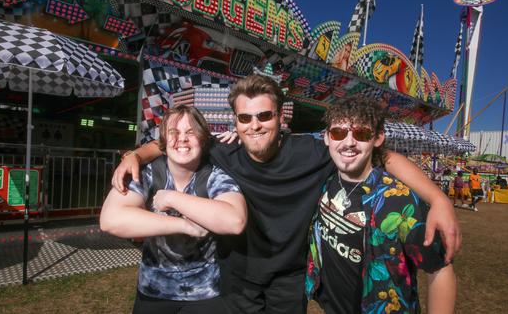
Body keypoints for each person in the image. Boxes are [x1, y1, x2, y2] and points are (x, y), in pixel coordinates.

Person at [112, 74, 461, 314]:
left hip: (291, 279)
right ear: (234, 122)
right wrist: (134, 156)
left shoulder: (316, 149)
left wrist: (439, 199)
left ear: (280, 116)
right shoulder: (223, 151)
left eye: (264, 115)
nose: (254, 125)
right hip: (237, 276)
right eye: (244, 118)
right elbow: (174, 143)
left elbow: (387, 157)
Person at [306, 95, 456, 313]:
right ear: (327, 137)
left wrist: (439, 199)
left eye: (362, 133)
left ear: (377, 138)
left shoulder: (400, 201)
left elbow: (440, 270)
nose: (348, 142)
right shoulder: (325, 177)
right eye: (338, 132)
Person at [100, 105, 247, 314]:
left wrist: (171, 198)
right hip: (153, 291)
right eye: (174, 132)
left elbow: (235, 221)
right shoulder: (147, 173)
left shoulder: (214, 175)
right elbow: (111, 220)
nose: (182, 139)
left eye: (191, 132)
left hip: (205, 293)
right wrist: (185, 225)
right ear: (163, 141)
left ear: (203, 140)